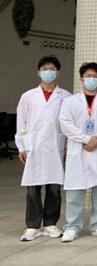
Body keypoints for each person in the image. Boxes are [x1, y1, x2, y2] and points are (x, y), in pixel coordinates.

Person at [59, 62, 97, 242]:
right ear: (81, 78)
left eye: (95, 76)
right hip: (79, 149)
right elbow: (65, 124)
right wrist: (86, 139)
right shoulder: (70, 102)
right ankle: (72, 227)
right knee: (75, 191)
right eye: (88, 76)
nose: (91, 79)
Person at [16, 55, 70, 241]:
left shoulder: (66, 97)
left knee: (54, 187)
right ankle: (32, 226)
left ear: (58, 72)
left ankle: (50, 223)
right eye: (44, 69)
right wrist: (22, 146)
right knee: (33, 188)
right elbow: (21, 123)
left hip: (56, 146)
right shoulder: (28, 96)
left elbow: (68, 124)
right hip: (34, 147)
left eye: (52, 69)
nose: (48, 72)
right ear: (38, 72)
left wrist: (67, 147)